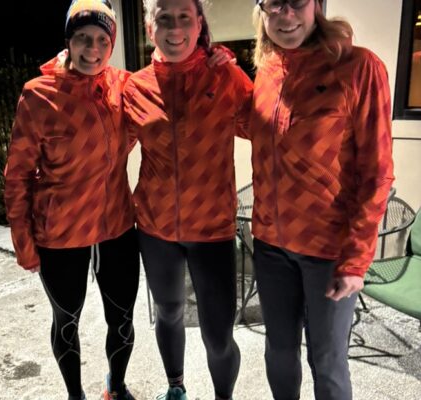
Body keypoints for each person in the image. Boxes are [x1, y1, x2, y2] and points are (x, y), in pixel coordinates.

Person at [243, 1, 395, 399]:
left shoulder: (358, 67)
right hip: (271, 245)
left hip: (329, 250)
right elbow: (251, 126)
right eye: (273, 3)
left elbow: (377, 172)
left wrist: (356, 259)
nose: (286, 14)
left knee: (327, 361)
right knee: (278, 352)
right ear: (261, 10)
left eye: (297, 1)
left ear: (316, 5)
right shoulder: (267, 70)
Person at [4, 1, 139, 399]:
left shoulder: (124, 86)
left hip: (116, 225)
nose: (92, 49)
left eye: (101, 40)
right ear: (68, 41)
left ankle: (116, 387)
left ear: (112, 44)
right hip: (60, 234)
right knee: (66, 322)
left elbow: (167, 92)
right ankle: (75, 395)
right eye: (82, 38)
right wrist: (23, 242)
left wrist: (207, 54)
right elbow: (17, 175)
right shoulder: (38, 95)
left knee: (123, 320)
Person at [123, 1, 253, 399]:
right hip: (155, 228)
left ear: (199, 26)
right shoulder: (135, 87)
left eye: (184, 18)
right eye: (164, 19)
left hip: (212, 229)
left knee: (218, 335)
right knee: (168, 312)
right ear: (150, 29)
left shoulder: (225, 77)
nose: (175, 28)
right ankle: (175, 387)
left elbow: (269, 126)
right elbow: (102, 147)